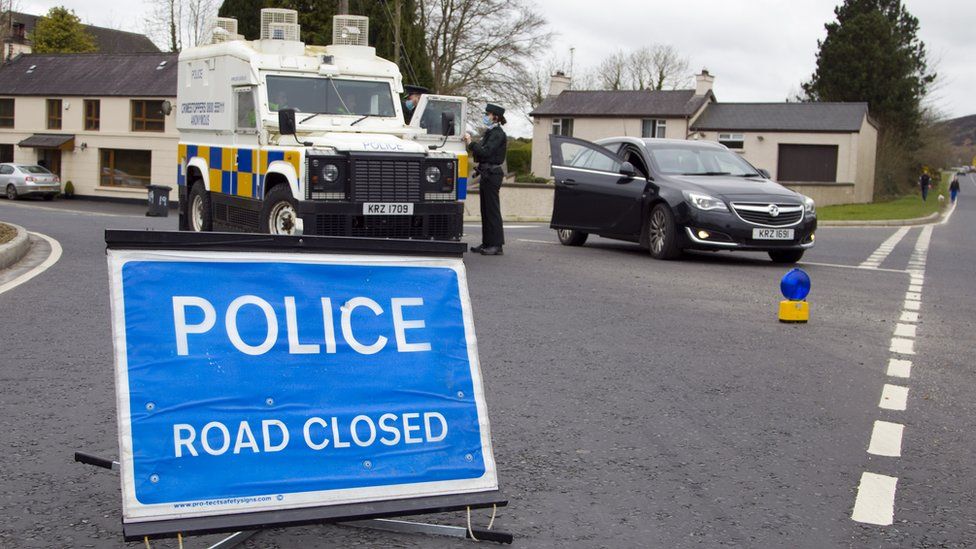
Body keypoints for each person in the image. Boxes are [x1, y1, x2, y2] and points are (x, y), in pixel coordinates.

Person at [463, 103, 507, 256]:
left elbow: (485, 152)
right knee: (486, 210)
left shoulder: (498, 133)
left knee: (492, 210)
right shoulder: (490, 132)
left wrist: (471, 143)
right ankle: (487, 242)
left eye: (487, 114)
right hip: (486, 173)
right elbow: (480, 153)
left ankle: (496, 245)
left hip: (492, 174)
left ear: (495, 116)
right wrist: (472, 145)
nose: (485, 117)